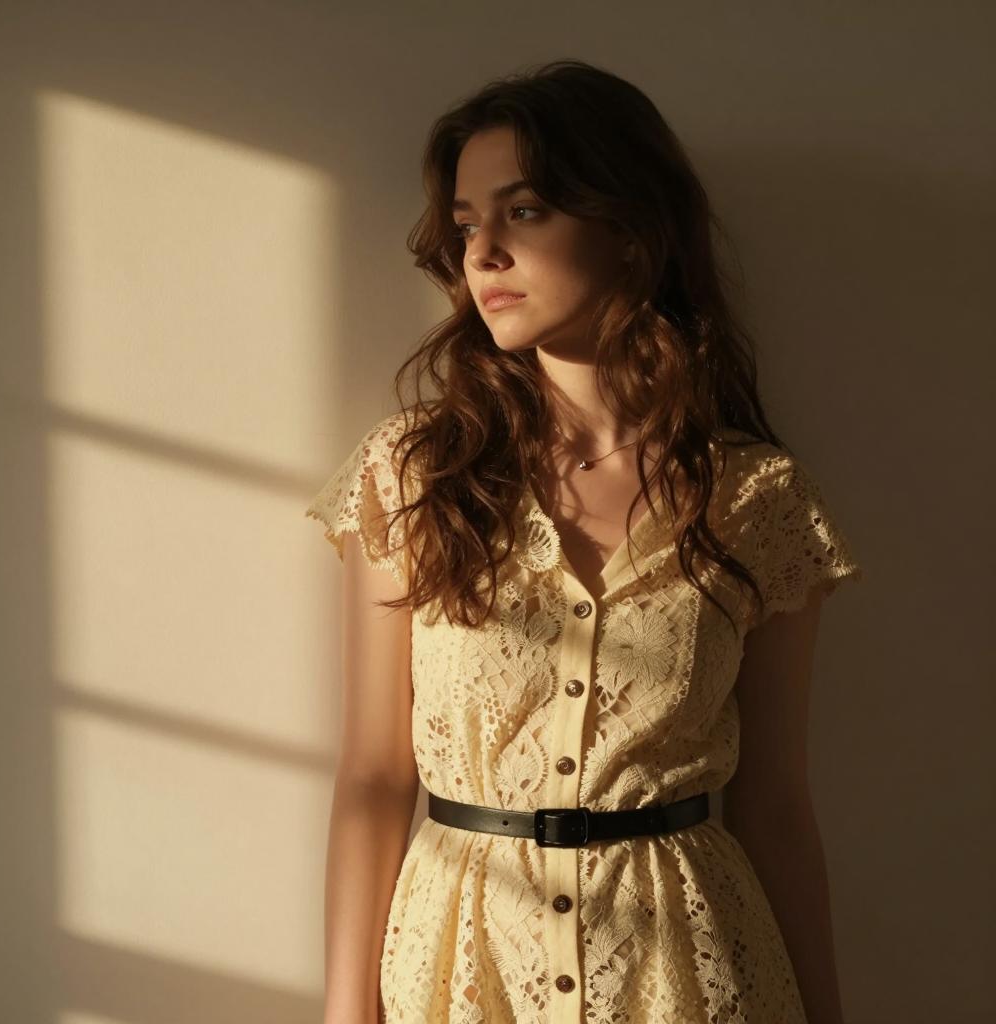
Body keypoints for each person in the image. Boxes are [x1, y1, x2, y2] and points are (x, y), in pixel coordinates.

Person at [307, 58, 864, 1024]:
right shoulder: (411, 476)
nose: (483, 253)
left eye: (522, 211)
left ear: (630, 231)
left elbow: (775, 806)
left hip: (691, 976)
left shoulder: (758, 500)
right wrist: (345, 1013)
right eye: (468, 223)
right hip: (466, 967)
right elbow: (372, 776)